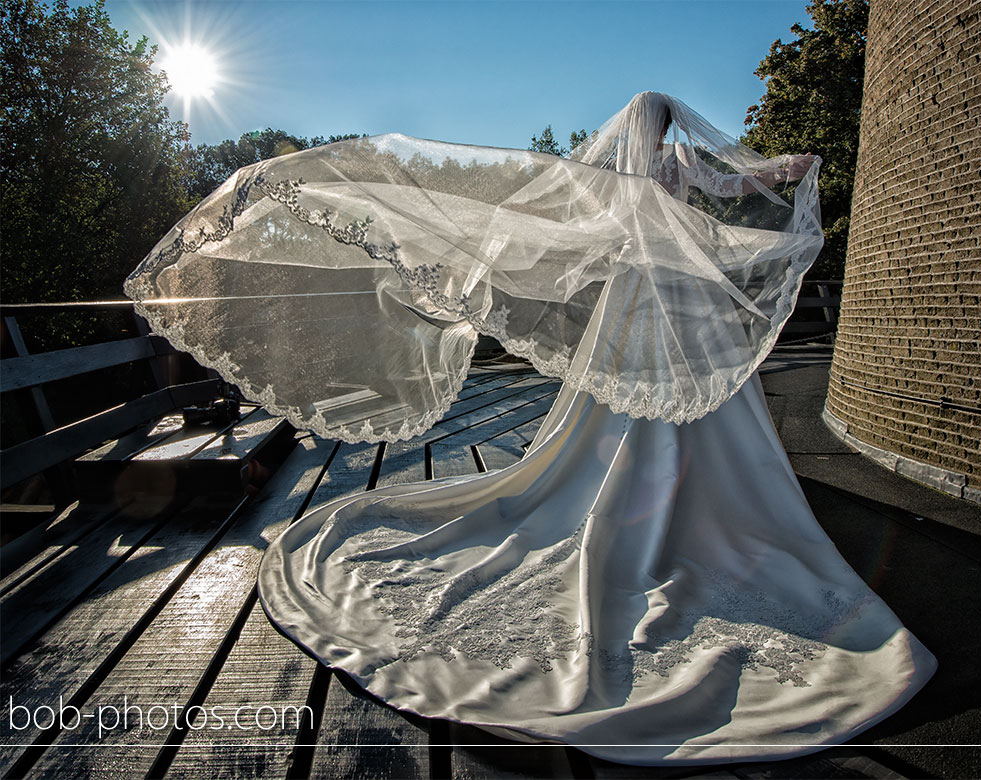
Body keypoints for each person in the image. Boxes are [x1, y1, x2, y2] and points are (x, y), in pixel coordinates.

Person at [126, 92, 935, 765]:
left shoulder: (615, 178)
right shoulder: (678, 169)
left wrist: (774, 172)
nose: (666, 135)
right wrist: (789, 173)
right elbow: (739, 188)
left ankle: (663, 500)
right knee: (680, 417)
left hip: (642, 308)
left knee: (629, 415)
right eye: (665, 126)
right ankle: (702, 504)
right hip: (676, 309)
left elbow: (573, 216)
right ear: (660, 129)